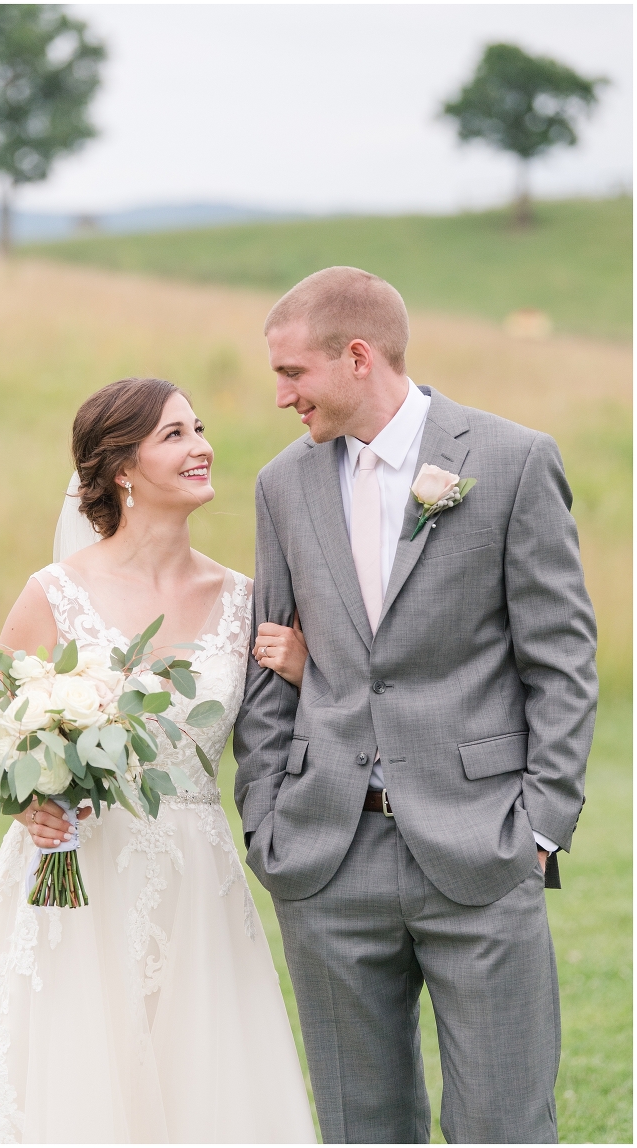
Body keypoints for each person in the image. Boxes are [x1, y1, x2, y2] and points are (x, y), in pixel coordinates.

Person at [0, 377, 316, 1145]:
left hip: (196, 875)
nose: (202, 447)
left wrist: (302, 671)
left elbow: (290, 737)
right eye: (176, 435)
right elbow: (0, 733)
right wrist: (29, 800)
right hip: (77, 868)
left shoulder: (244, 599)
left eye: (200, 428)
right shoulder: (55, 593)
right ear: (122, 467)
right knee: (73, 1066)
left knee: (199, 1073)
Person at [234, 266, 597, 1144]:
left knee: (505, 1122)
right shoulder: (282, 485)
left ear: (357, 356)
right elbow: (267, 660)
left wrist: (538, 828)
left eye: (292, 374)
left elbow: (562, 659)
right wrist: (268, 821)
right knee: (363, 1126)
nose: (281, 395)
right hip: (325, 856)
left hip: (481, 846)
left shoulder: (511, 461)